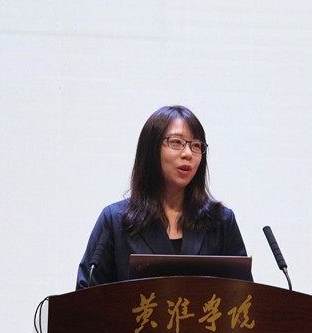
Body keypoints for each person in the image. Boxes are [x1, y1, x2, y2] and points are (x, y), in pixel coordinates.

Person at [76, 105, 250, 289]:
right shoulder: (115, 221)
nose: (188, 154)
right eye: (176, 142)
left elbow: (245, 296)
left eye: (196, 145)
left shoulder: (221, 222)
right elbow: (86, 295)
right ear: (151, 149)